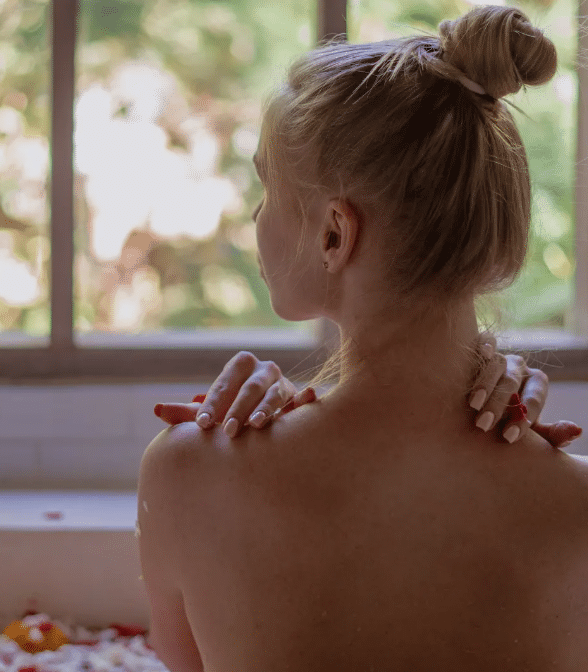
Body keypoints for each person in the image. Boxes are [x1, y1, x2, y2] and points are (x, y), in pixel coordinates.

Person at [136, 7, 588, 671]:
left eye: (267, 187)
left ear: (333, 235)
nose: (256, 218)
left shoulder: (188, 474)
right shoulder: (574, 505)